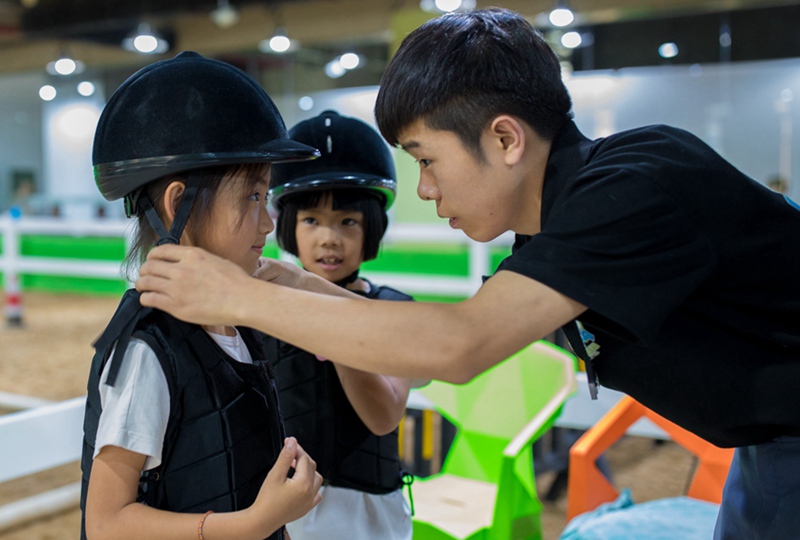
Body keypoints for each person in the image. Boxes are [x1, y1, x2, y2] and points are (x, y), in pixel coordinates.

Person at [134, 10, 800, 539]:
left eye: (427, 159)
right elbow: (429, 347)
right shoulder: (563, 234)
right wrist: (297, 286)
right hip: (767, 446)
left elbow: (459, 345)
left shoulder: (637, 186)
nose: (424, 189)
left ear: (505, 140)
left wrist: (242, 296)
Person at [80, 51, 323, 540]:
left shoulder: (239, 323)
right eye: (252, 196)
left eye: (266, 196)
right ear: (178, 207)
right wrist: (256, 522)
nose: (269, 221)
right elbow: (106, 523)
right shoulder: (149, 353)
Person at [266, 110, 418, 540]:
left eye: (347, 221)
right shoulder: (264, 308)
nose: (328, 238)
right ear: (289, 226)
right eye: (311, 220)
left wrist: (333, 327)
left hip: (370, 514)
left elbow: (383, 416)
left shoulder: (393, 310)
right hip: (280, 505)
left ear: (371, 228)